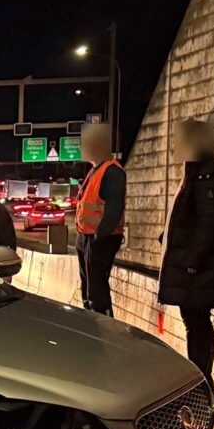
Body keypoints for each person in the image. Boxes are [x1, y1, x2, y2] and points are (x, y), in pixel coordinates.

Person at [159, 119, 214, 390]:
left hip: (203, 270)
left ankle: (202, 380)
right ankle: (198, 377)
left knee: (198, 322)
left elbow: (211, 225)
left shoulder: (208, 178)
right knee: (194, 322)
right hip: (197, 267)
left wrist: (192, 260)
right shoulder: (196, 174)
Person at [73, 123, 124, 313]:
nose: (81, 148)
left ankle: (102, 325)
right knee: (88, 286)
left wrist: (99, 237)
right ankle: (90, 320)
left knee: (97, 289)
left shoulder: (112, 172)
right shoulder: (94, 170)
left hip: (101, 238)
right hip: (86, 237)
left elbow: (114, 209)